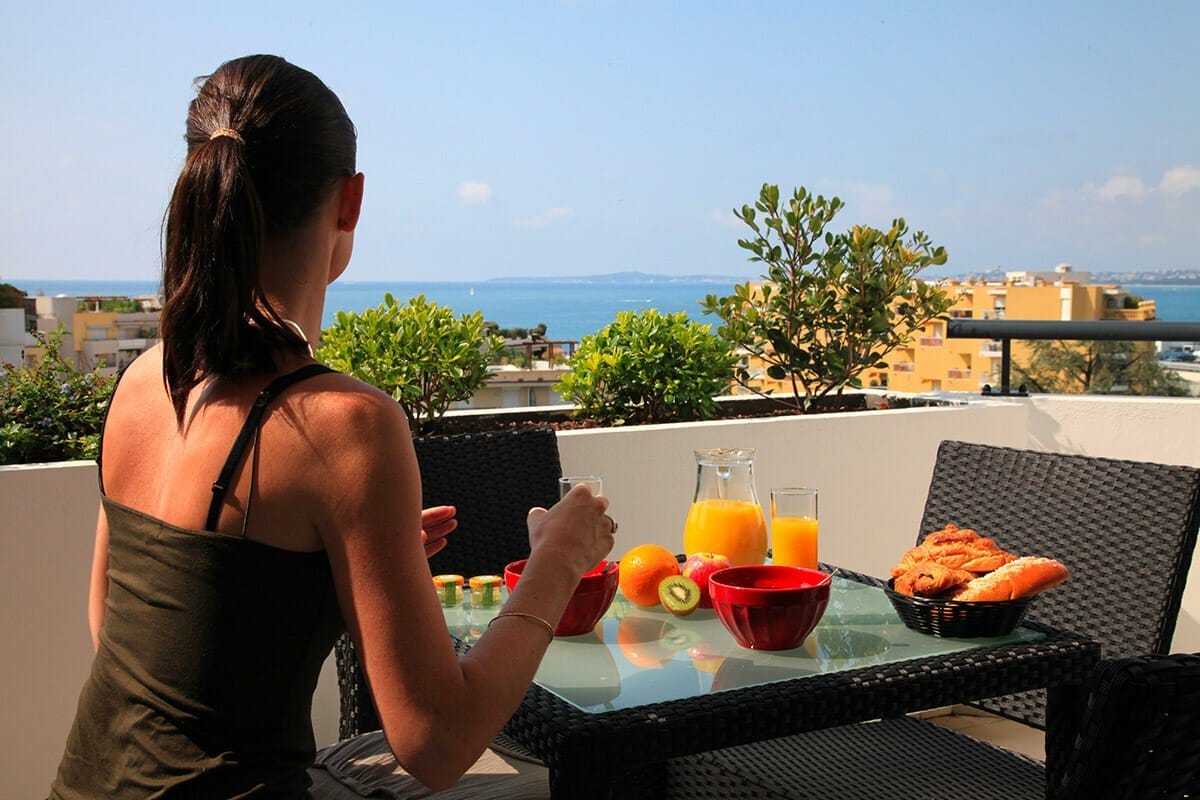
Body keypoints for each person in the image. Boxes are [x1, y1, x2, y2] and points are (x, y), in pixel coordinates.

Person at [48, 54, 615, 799]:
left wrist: (323, 577)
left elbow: (122, 629)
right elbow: (438, 743)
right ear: (350, 202)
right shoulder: (346, 426)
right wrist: (558, 563)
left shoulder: (143, 381)